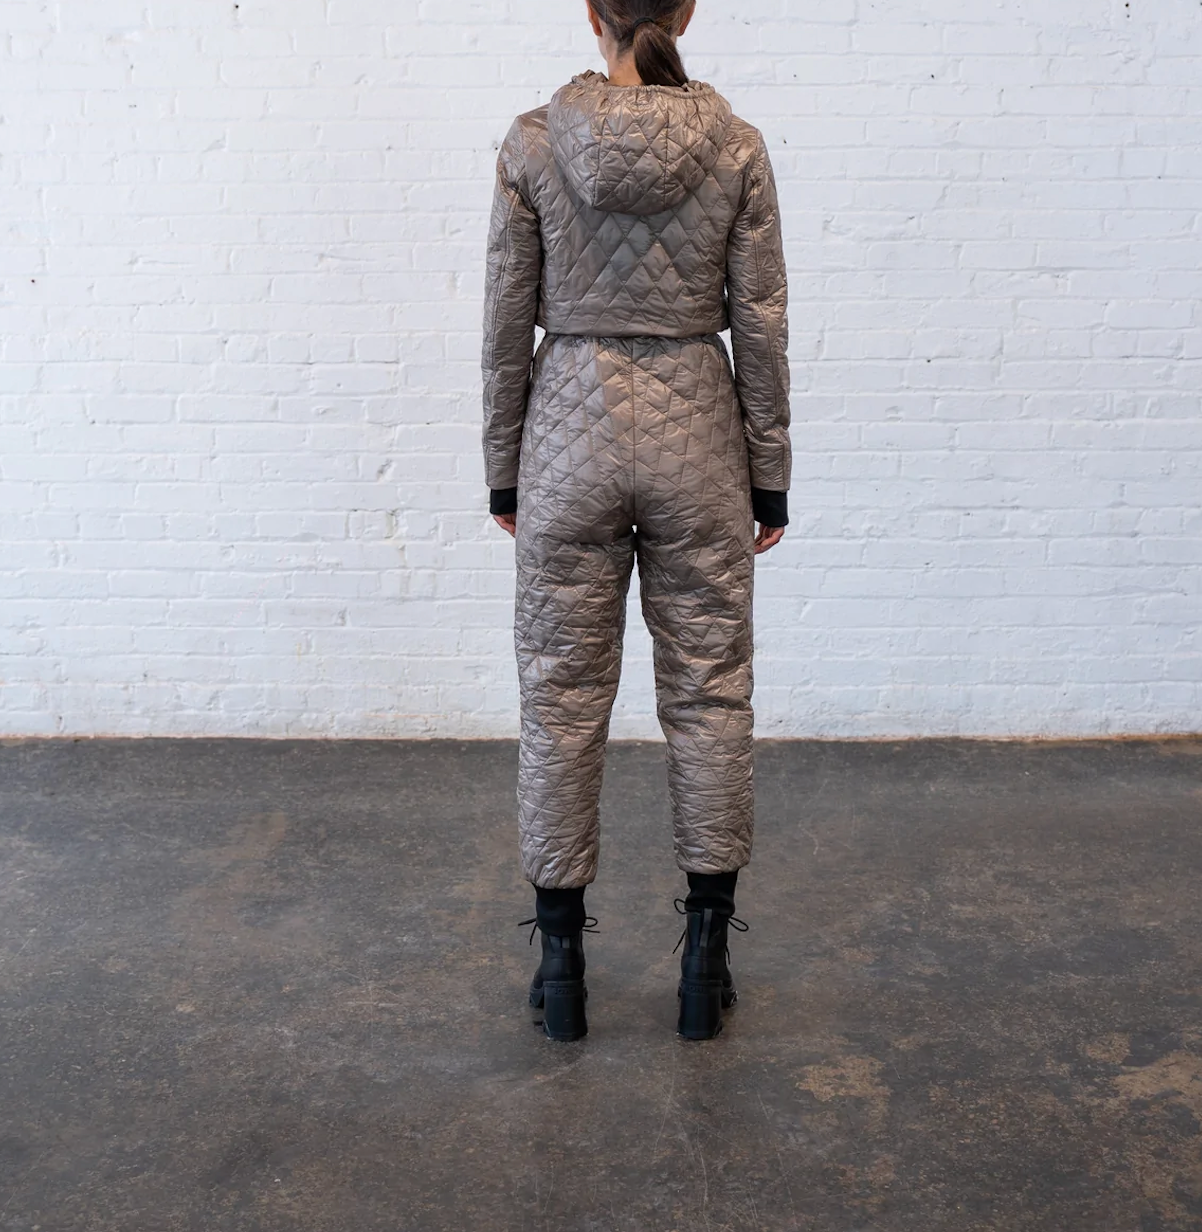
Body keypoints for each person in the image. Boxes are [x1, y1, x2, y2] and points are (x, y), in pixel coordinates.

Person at [481, 0, 790, 1041]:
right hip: (697, 436)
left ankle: (561, 966)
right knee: (710, 693)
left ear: (591, 13)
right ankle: (704, 963)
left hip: (567, 433)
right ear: (686, 9)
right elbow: (760, 325)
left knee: (558, 700)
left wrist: (504, 472)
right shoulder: (735, 146)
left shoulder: (533, 143)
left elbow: (503, 322)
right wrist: (769, 476)